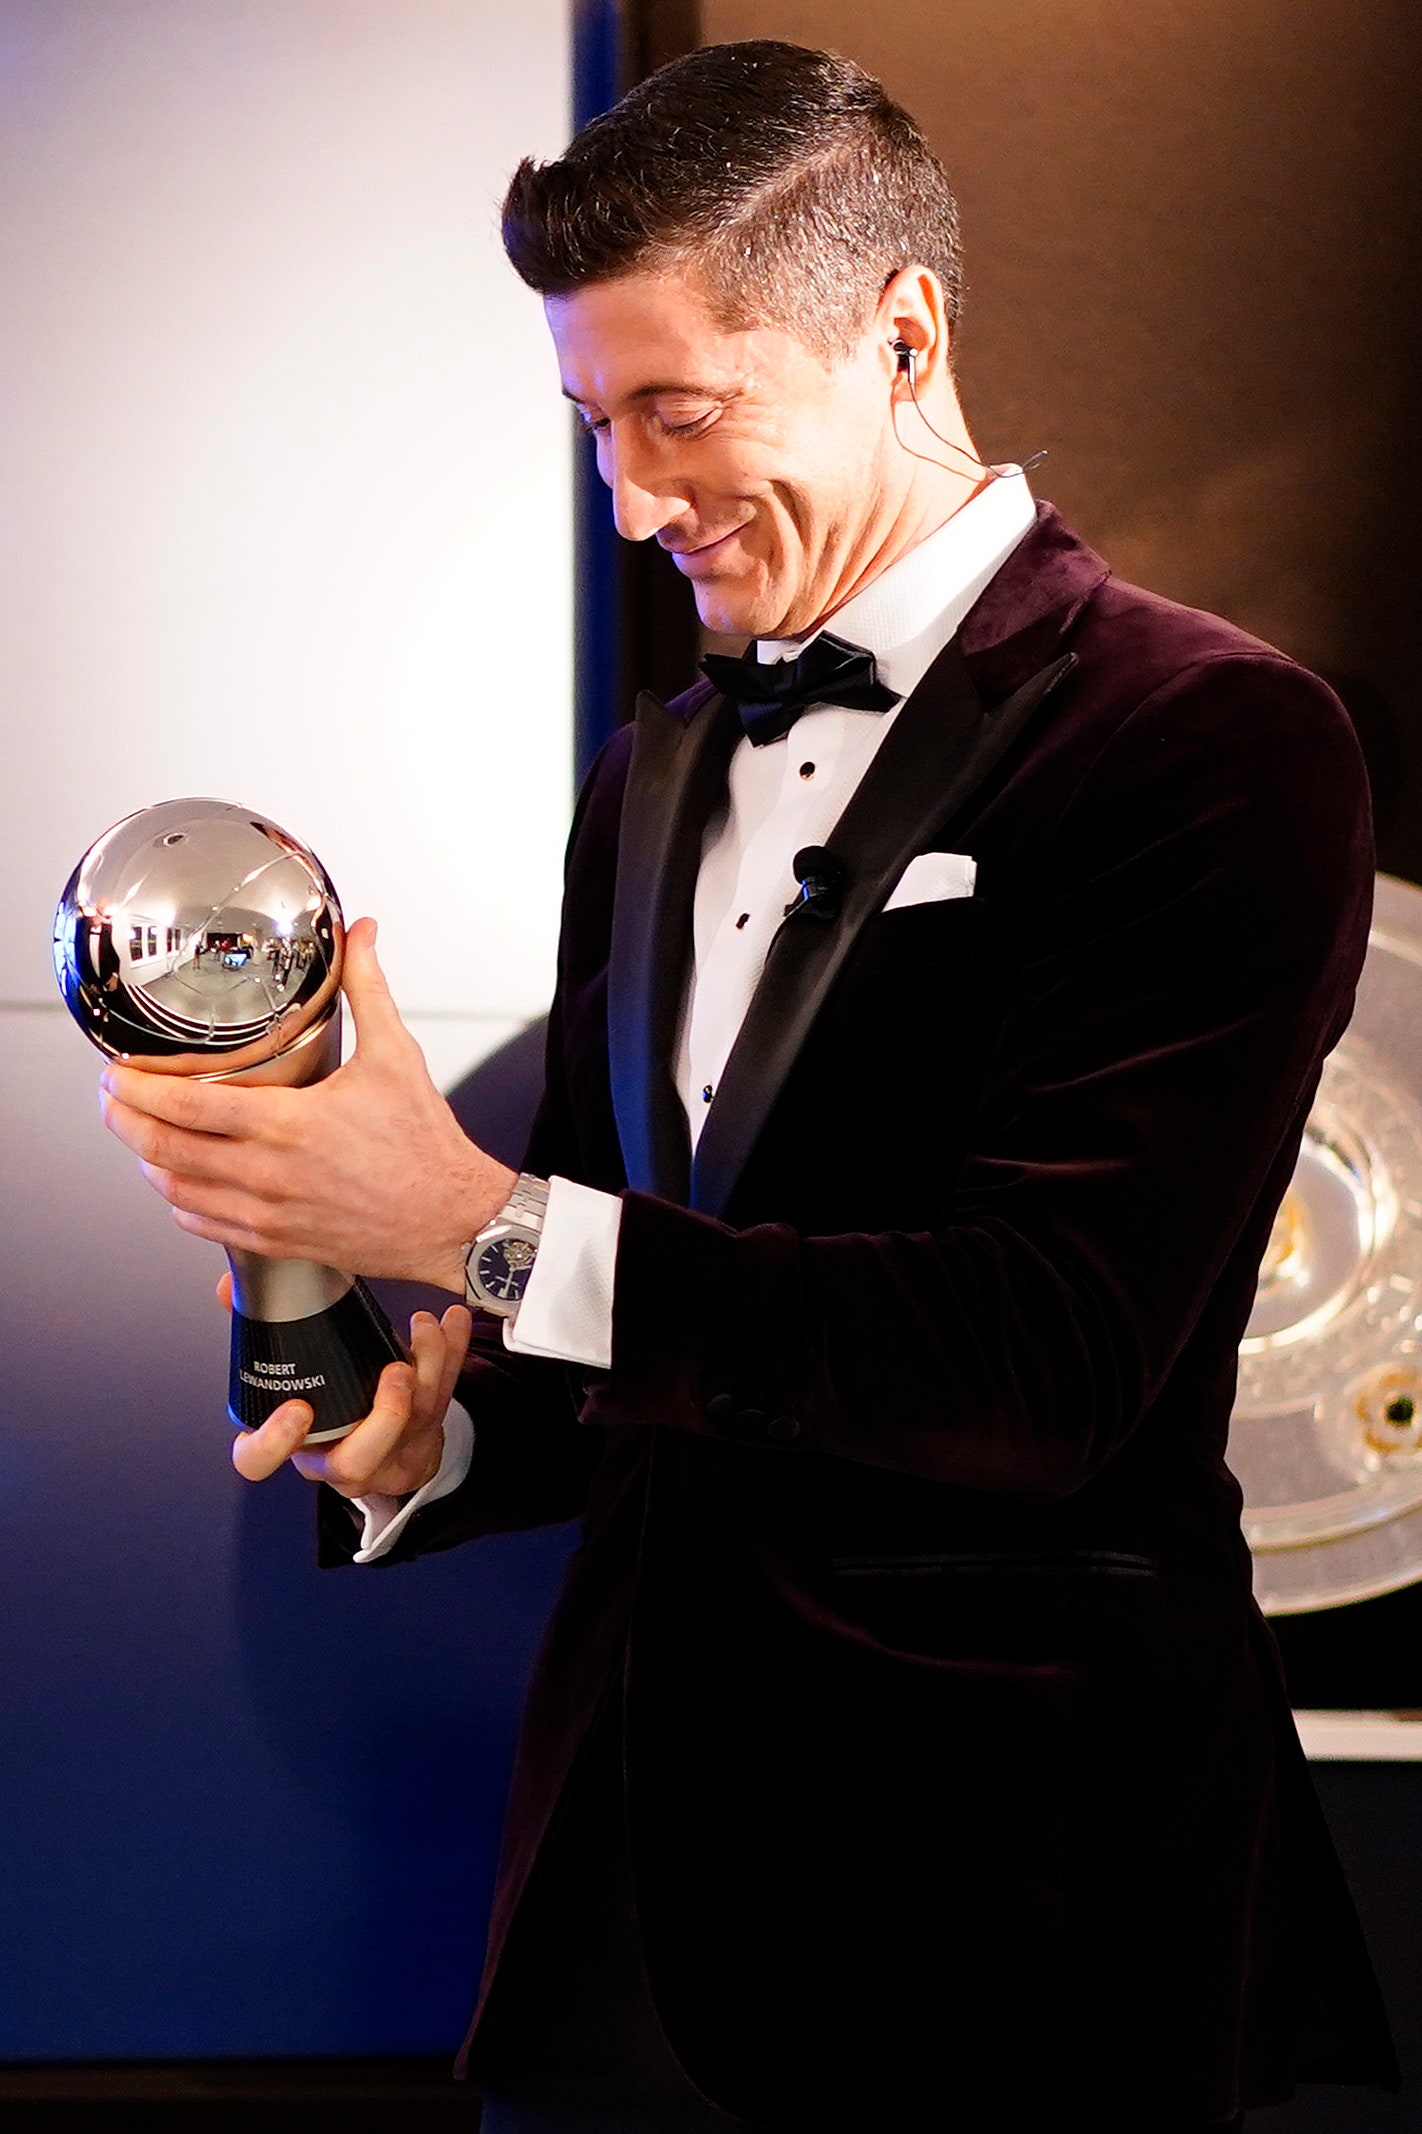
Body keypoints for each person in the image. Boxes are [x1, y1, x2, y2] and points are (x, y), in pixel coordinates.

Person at [100, 39, 1398, 2134]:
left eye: (677, 411)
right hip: (622, 1926)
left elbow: (1045, 1350)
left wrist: (458, 1211)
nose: (631, 497)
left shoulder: (1223, 743)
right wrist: (428, 1421)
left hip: (1014, 1922)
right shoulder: (662, 760)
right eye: (593, 422)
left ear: (903, 335)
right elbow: (649, 1282)